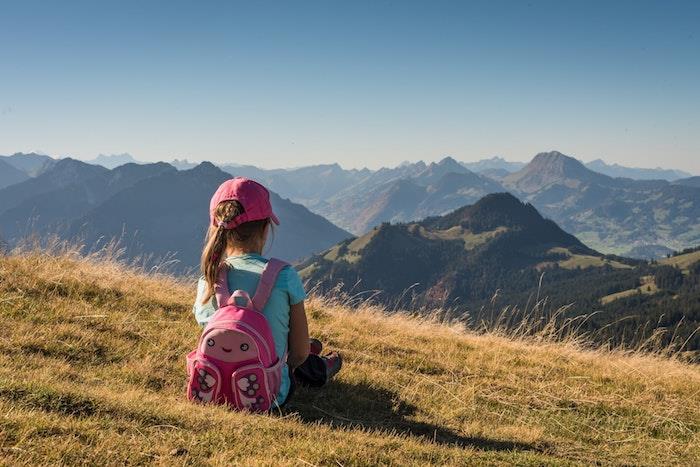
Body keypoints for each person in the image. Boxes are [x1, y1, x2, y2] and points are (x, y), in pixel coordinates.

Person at [192, 177, 342, 407]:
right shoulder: (283, 275)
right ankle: (320, 366)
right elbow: (298, 356)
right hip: (269, 395)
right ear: (265, 228)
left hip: (210, 390)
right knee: (299, 353)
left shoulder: (210, 278)